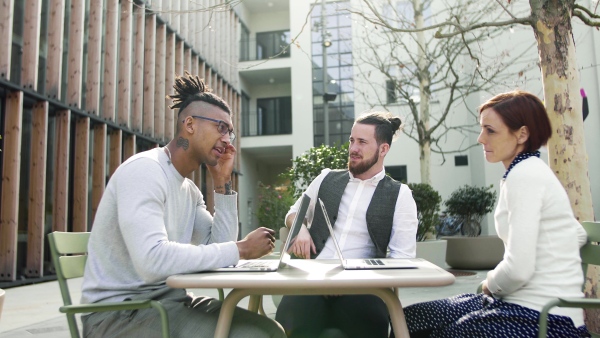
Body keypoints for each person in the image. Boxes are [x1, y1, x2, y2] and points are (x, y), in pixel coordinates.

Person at [80, 72, 286, 338]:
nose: (227, 140)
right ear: (189, 124)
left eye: (230, 133)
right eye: (221, 128)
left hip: (169, 304)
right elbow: (152, 261)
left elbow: (219, 248)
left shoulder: (188, 189)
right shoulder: (145, 171)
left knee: (270, 330)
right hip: (118, 315)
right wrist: (241, 249)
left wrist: (222, 183)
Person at [403, 90, 589, 338]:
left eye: (490, 130)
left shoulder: (525, 176)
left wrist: (491, 282)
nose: (481, 138)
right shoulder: (524, 171)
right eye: (482, 129)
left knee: (446, 334)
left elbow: (519, 270)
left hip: (545, 318)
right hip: (517, 306)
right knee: (413, 317)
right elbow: (575, 232)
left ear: (522, 134)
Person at [275, 112, 418, 338]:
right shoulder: (325, 178)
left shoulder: (400, 195)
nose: (353, 148)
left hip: (365, 288)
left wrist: (357, 282)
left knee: (368, 325)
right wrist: (300, 228)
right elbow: (294, 213)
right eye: (352, 140)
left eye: (362, 142)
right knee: (288, 326)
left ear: (383, 149)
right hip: (312, 280)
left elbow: (402, 259)